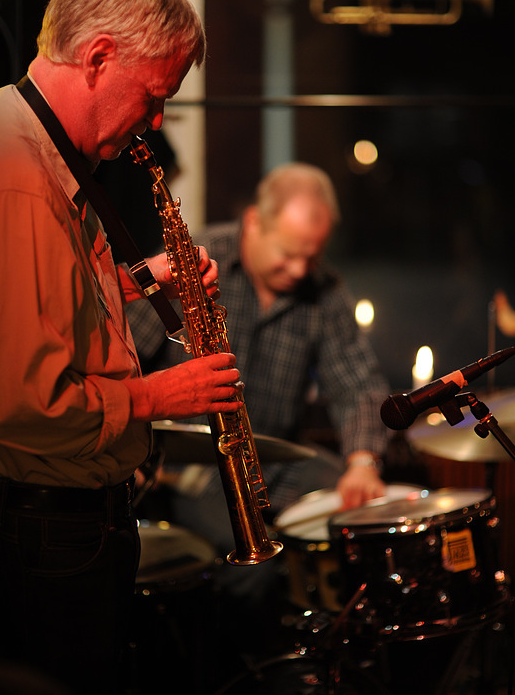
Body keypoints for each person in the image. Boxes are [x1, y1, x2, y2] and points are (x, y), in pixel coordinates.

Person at [0, 0, 243, 695]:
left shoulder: (23, 137)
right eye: (154, 94)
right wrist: (159, 397)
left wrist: (134, 279)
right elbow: (18, 405)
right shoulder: (21, 176)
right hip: (47, 535)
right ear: (99, 56)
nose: (156, 121)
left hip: (53, 529)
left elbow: (37, 311)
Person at [126, 162, 390, 624]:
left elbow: (357, 382)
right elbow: (124, 350)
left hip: (271, 458)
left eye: (313, 256)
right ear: (254, 222)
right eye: (288, 253)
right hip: (189, 467)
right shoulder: (194, 263)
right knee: (254, 572)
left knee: (368, 520)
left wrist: (363, 460)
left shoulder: (323, 290)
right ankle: (252, 679)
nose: (300, 269)